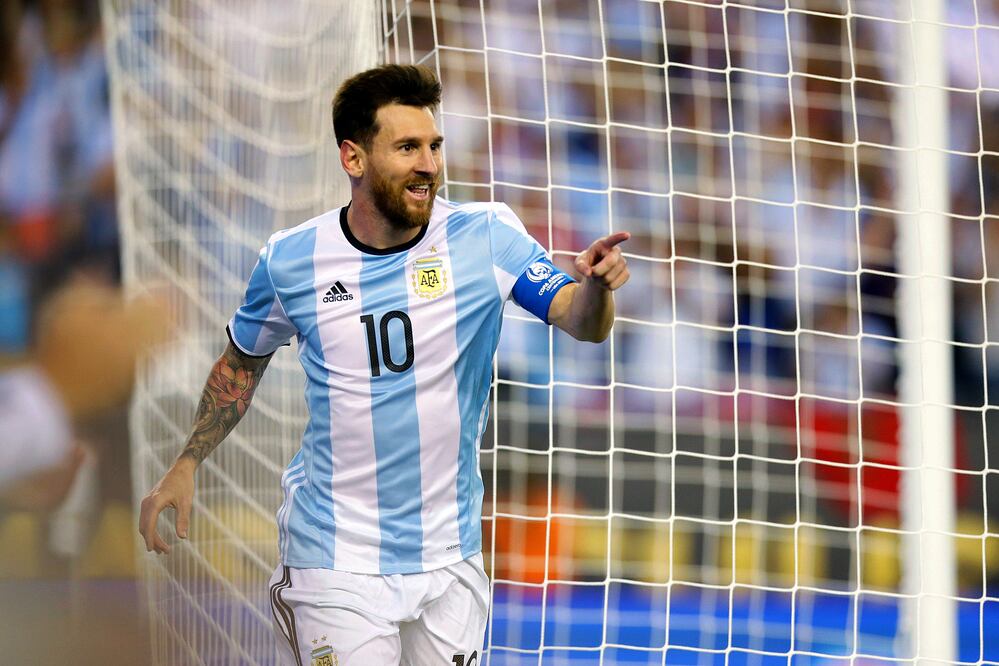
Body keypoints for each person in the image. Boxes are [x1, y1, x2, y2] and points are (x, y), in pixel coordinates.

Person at [138, 64, 630, 666]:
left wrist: (599, 289)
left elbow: (580, 320)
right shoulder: (292, 260)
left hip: (450, 559)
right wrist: (188, 461)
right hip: (335, 561)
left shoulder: (487, 236)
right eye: (406, 148)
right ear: (354, 159)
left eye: (434, 146)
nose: (428, 164)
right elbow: (242, 362)